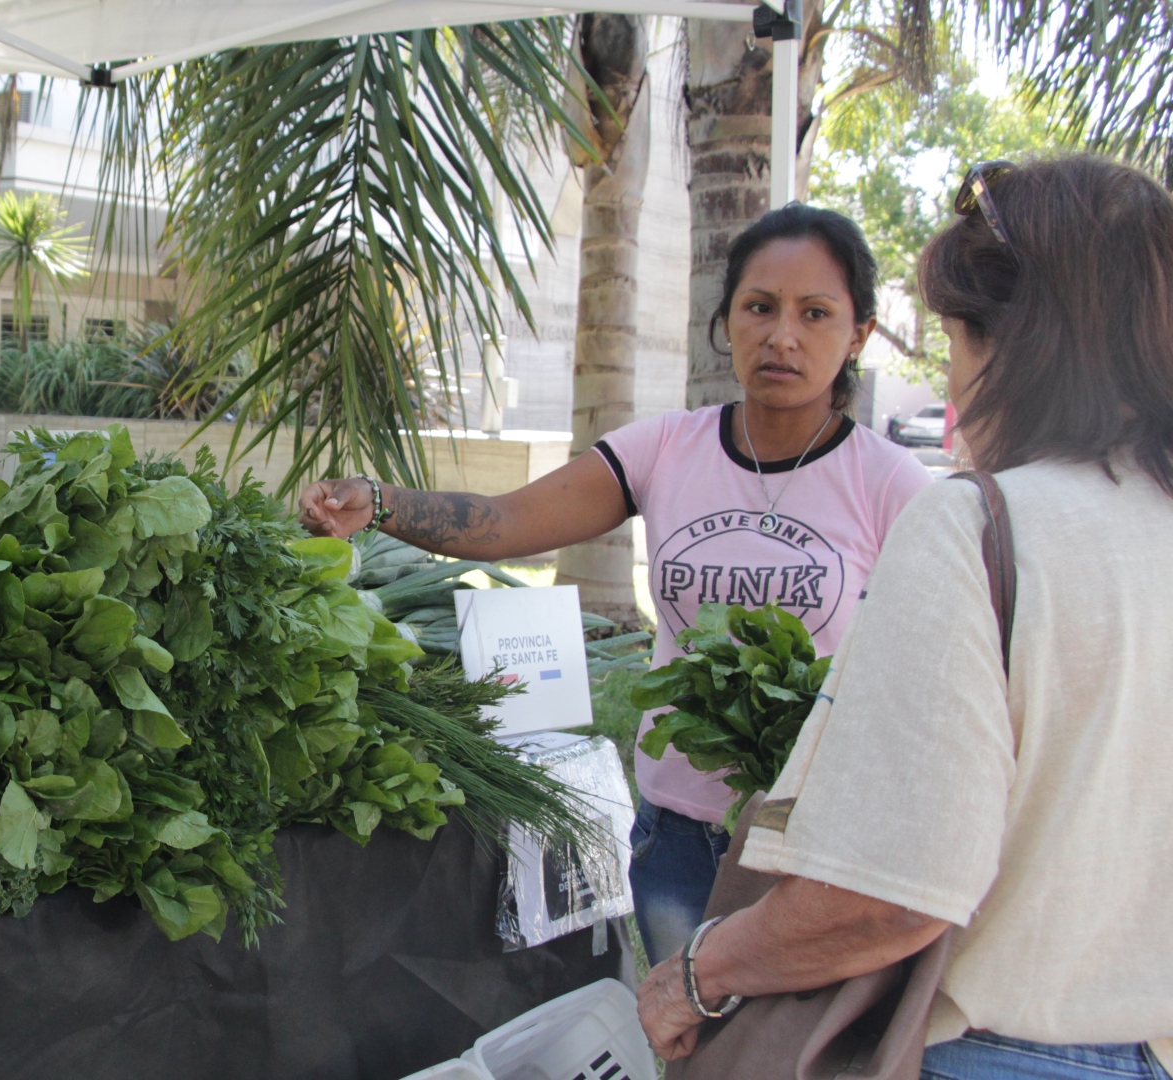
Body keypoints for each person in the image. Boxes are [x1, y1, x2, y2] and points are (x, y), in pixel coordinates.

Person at [635, 154, 1173, 1079]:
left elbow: (891, 893)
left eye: (955, 339)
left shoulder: (980, 525)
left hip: (987, 1047)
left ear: (1017, 343)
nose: (955, 383)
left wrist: (696, 973)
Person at [297, 205, 932, 964]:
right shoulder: (670, 447)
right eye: (760, 307)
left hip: (812, 838)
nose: (782, 335)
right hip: (678, 833)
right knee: (684, 1023)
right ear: (726, 320)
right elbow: (508, 520)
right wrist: (379, 503)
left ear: (859, 334)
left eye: (816, 313)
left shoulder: (891, 484)